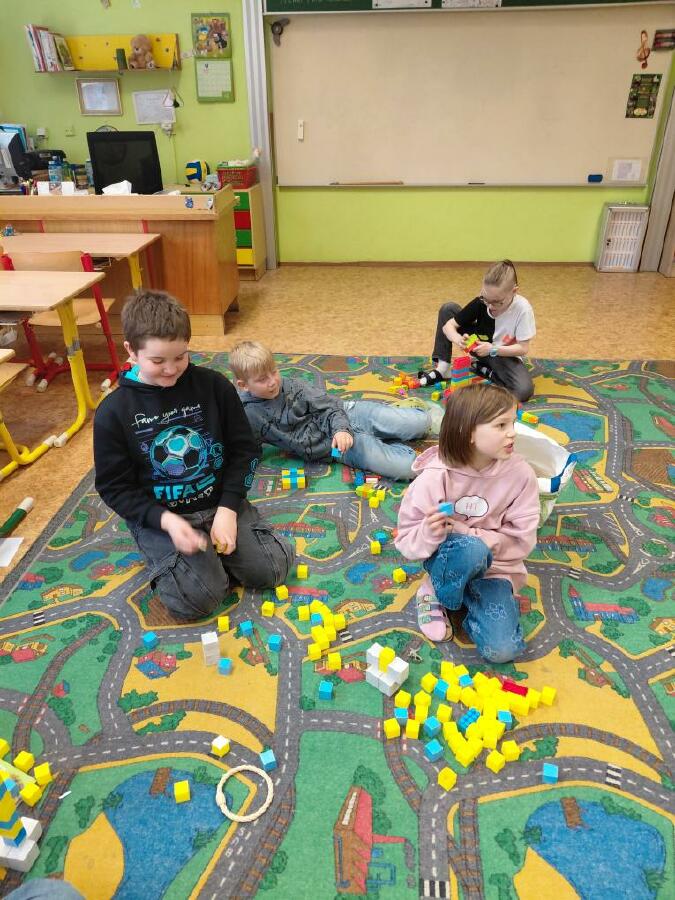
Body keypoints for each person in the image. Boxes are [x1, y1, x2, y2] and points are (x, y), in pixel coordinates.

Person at [93, 291, 294, 621]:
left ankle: (213, 556)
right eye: (158, 361)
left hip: (218, 502)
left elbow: (246, 451)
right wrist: (166, 521)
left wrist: (228, 508)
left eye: (180, 356)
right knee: (198, 601)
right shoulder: (113, 412)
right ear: (130, 350)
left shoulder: (214, 386)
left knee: (275, 567)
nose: (171, 369)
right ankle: (187, 560)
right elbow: (114, 488)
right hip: (163, 516)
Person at [394, 383, 540, 662]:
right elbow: (406, 538)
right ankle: (435, 589)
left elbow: (522, 540)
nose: (512, 432)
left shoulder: (522, 476)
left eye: (513, 422)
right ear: (468, 432)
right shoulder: (436, 476)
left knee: (503, 651)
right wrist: (428, 531)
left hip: (497, 570)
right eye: (501, 425)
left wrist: (465, 531)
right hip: (452, 558)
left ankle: (469, 598)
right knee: (471, 549)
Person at [229, 341, 441, 481]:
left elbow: (329, 406)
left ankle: (407, 415)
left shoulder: (293, 386)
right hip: (338, 448)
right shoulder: (246, 414)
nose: (272, 381)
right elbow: (246, 447)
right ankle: (388, 440)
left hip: (349, 414)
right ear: (243, 385)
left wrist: (341, 430)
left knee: (421, 422)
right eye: (262, 379)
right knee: (409, 468)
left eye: (274, 372)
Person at [419, 259, 536, 402]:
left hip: (502, 354)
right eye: (486, 299)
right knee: (448, 309)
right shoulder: (481, 302)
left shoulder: (523, 309)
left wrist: (492, 349)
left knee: (524, 390)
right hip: (477, 345)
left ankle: (488, 372)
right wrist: (459, 340)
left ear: (514, 291)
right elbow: (447, 326)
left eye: (497, 302)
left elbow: (523, 348)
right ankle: (443, 368)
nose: (490, 306)